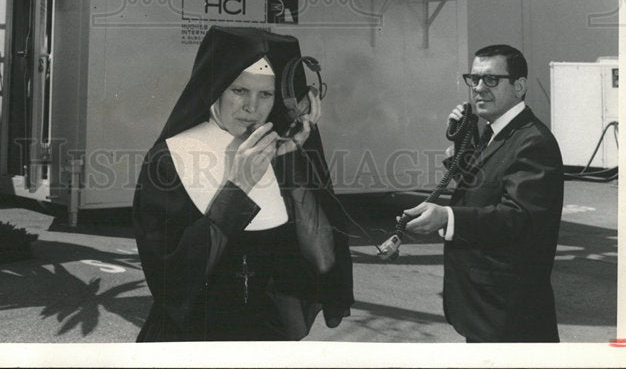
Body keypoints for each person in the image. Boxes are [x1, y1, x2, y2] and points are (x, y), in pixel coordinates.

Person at [133, 24, 354, 342]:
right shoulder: (168, 159)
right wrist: (239, 185)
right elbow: (174, 281)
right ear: (215, 89)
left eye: (265, 94)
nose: (252, 107)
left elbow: (322, 259)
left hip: (266, 337)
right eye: (239, 91)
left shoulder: (276, 154)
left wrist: (291, 159)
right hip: (190, 340)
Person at [403, 44, 563, 343]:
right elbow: (489, 185)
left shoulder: (533, 141)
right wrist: (463, 145)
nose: (478, 88)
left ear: (519, 86)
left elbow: (518, 217)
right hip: (486, 309)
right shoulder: (493, 132)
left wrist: (447, 217)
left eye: (491, 80)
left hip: (511, 315)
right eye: (473, 79)